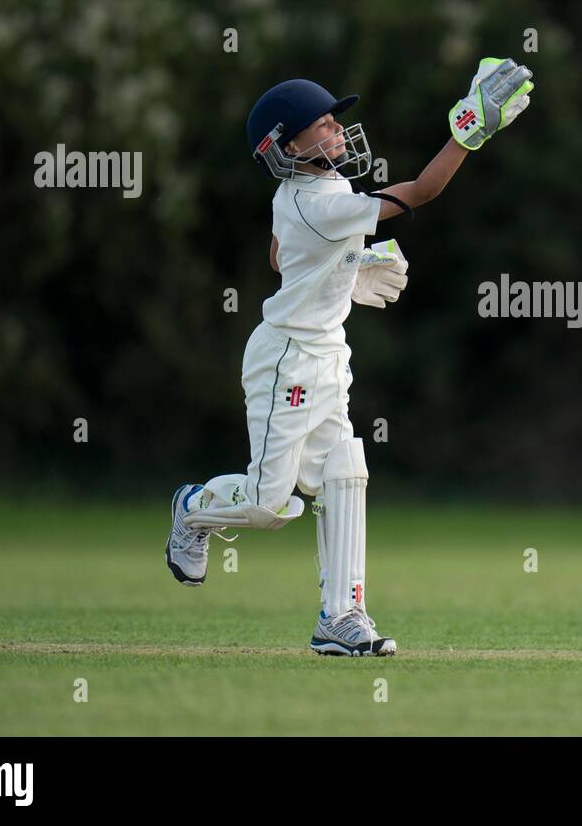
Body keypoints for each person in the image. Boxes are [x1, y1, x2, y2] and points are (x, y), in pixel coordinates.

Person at [164, 58, 534, 656]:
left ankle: (341, 618)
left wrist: (344, 270)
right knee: (270, 505)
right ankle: (194, 508)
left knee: (344, 476)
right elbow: (423, 190)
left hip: (327, 353)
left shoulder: (309, 192)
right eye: (322, 126)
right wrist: (471, 129)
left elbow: (280, 259)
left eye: (336, 120)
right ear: (285, 148)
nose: (338, 131)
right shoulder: (319, 204)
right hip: (286, 359)